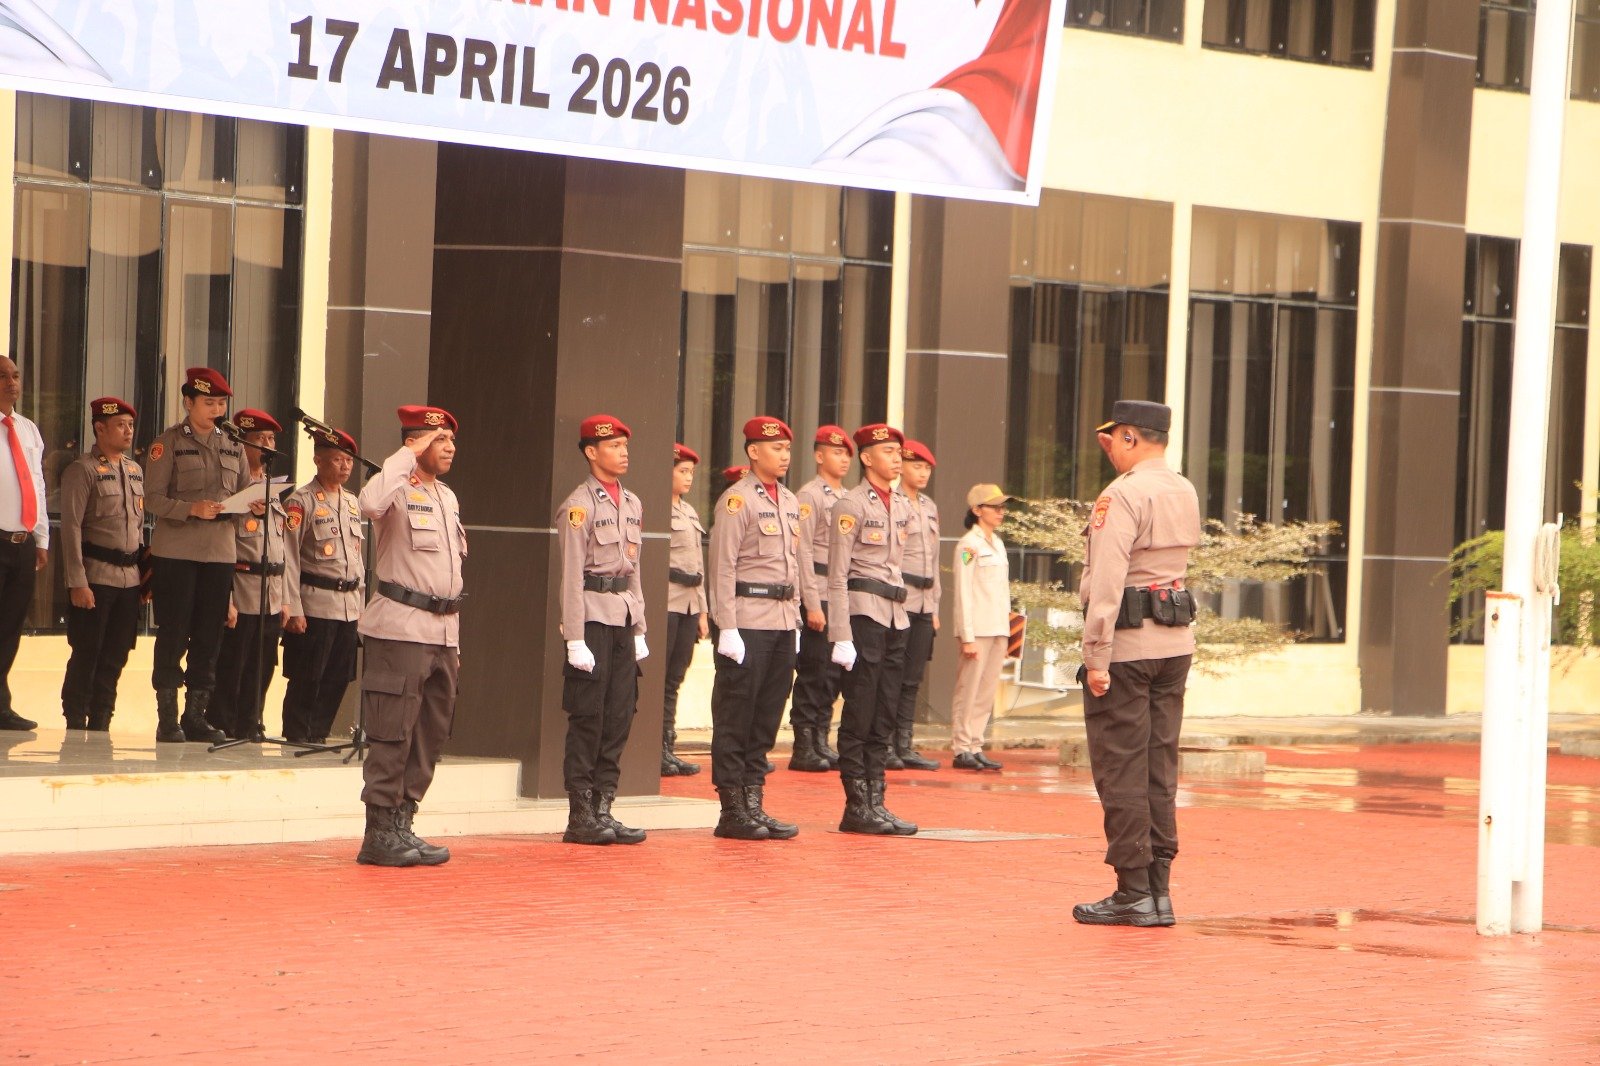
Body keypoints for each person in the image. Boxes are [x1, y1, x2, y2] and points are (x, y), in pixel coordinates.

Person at [1071, 400, 1202, 929]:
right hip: (1174, 644)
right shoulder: (1183, 488)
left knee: (1121, 767)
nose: (1110, 451)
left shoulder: (1122, 494)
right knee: (1158, 767)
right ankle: (1159, 891)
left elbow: (1107, 579)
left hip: (1127, 648)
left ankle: (1133, 892)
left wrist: (1095, 656)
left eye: (1115, 440)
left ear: (1128, 437)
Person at [354, 405, 465, 868]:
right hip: (400, 628)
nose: (451, 447)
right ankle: (379, 832)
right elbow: (368, 504)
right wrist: (406, 455)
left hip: (442, 631)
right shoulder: (394, 487)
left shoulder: (447, 497)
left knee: (429, 733)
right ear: (416, 442)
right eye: (440, 440)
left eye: (451, 440)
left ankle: (402, 821)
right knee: (393, 731)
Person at [707, 416, 803, 841]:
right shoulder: (737, 500)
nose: (784, 455)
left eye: (787, 448)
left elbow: (793, 566)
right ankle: (732, 809)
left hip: (781, 621)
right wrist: (726, 627)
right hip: (746, 621)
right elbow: (722, 567)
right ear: (753, 451)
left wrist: (796, 620)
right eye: (776, 448)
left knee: (766, 715)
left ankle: (754, 802)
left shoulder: (789, 500)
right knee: (737, 714)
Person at [143, 366, 247, 744]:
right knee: (174, 632)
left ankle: (196, 717)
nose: (216, 410)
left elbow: (243, 494)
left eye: (221, 403)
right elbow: (151, 499)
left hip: (219, 553)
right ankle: (168, 719)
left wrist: (250, 505)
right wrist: (190, 509)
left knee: (208, 636)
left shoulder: (233, 445)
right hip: (177, 553)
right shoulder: (168, 443)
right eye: (208, 402)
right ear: (188, 402)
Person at [557, 414, 648, 847]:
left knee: (619, 716)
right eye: (614, 445)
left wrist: (640, 627)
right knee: (589, 718)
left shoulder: (632, 503)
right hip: (592, 618)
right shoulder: (579, 505)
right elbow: (571, 576)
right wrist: (574, 638)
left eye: (625, 445)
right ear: (592, 452)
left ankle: (604, 807)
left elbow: (634, 571)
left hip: (623, 618)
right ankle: (580, 815)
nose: (623, 452)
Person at [827, 424, 916, 836]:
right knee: (860, 711)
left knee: (885, 712)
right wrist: (841, 633)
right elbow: (837, 574)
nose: (897, 458)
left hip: (896, 615)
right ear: (866, 458)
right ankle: (856, 804)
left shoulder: (901, 504)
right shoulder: (851, 504)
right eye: (888, 452)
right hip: (863, 615)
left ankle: (877, 800)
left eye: (899, 452)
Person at [57, 397, 143, 732]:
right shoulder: (83, 469)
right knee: (87, 652)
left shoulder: (134, 470)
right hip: (95, 576)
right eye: (120, 425)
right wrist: (77, 581)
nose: (128, 431)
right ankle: (76, 717)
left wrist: (145, 577)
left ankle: (102, 718)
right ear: (100, 428)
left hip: (129, 579)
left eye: (131, 425)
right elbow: (71, 528)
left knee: (117, 654)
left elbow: (137, 527)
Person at [281, 425, 365, 745]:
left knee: (338, 677)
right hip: (315, 603)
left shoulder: (352, 502)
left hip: (347, 606)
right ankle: (297, 737)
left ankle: (318, 736)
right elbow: (289, 556)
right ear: (318, 460)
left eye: (349, 460)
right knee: (308, 676)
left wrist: (361, 609)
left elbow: (356, 559)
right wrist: (293, 608)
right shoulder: (301, 501)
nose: (345, 466)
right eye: (337, 460)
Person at [210, 410, 289, 742]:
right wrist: (225, 597)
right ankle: (224, 726)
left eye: (271, 439)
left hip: (270, 592)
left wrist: (286, 599)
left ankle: (250, 723)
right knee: (232, 663)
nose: (268, 445)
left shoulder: (272, 487)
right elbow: (220, 546)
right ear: (241, 443)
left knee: (263, 664)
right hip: (240, 588)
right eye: (259, 439)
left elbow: (283, 547)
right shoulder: (231, 487)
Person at [790, 424, 853, 772]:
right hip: (817, 588)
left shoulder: (848, 498)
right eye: (836, 452)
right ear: (819, 456)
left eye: (846, 454)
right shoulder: (810, 496)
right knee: (814, 670)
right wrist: (811, 603)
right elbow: (802, 552)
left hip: (840, 593)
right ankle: (804, 745)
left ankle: (820, 739)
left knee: (833, 674)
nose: (843, 459)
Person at [950, 484, 1012, 773]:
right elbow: (963, 591)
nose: (1000, 512)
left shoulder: (997, 543)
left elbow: (1002, 591)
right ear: (977, 510)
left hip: (998, 627)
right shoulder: (968, 545)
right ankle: (962, 747)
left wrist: (1009, 629)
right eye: (994, 507)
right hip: (977, 629)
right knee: (969, 689)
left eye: (1002, 507)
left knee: (986, 691)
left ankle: (976, 744)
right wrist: (967, 636)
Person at [0, 356, 46, 733]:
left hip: (22, 542)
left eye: (15, 375)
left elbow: (37, 484)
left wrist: (41, 537)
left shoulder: (28, 428)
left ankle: (1, 705)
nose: (11, 382)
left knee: (10, 627)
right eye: (2, 376)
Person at [890, 440, 942, 771]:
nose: (922, 473)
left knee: (912, 679)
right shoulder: (893, 502)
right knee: (891, 676)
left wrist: (934, 607)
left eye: (926, 468)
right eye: (916, 466)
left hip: (924, 601)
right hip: (901, 597)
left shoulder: (929, 506)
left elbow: (934, 561)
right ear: (903, 467)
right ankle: (885, 744)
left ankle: (904, 743)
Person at [661, 443, 706, 777]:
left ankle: (667, 746)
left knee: (675, 678)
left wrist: (703, 611)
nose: (688, 477)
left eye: (691, 472)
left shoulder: (689, 511)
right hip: (667, 601)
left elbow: (698, 565)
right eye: (682, 471)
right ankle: (655, 748)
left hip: (689, 603)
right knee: (660, 679)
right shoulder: (656, 509)